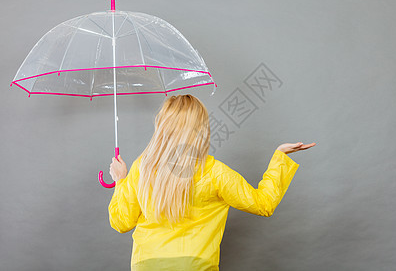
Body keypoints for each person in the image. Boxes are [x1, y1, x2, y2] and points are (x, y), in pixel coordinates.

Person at [108, 94, 316, 271]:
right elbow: (264, 204)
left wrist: (121, 180)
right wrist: (279, 156)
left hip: (146, 265)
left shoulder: (142, 168)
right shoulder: (214, 172)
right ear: (200, 129)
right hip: (195, 266)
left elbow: (121, 222)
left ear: (162, 126)